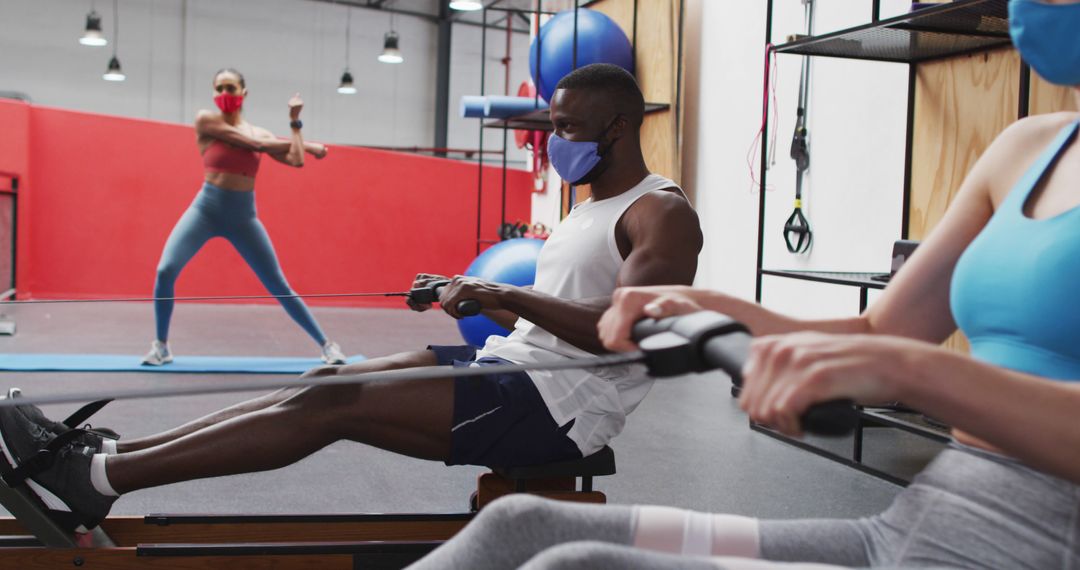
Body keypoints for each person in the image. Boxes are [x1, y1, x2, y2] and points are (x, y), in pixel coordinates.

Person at [405, 1, 1080, 568]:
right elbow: (882, 333)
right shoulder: (1024, 148)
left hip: (1039, 542)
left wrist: (914, 372)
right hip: (924, 521)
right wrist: (705, 307)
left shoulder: (656, 204)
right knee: (520, 528)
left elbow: (898, 356)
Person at [0, 63, 703, 534]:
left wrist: (495, 287)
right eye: (551, 126)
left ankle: (100, 478)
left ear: (617, 127)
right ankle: (104, 452)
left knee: (332, 407)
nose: (555, 142)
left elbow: (623, 334)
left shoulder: (661, 214)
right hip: (516, 365)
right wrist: (468, 297)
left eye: (568, 128)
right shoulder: (587, 210)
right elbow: (549, 316)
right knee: (327, 379)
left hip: (556, 410)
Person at [141, 68, 347, 366]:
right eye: (220, 88)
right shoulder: (206, 120)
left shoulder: (261, 132)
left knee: (278, 284)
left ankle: (328, 345)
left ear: (243, 93)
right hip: (205, 210)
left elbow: (297, 160)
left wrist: (295, 123)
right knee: (165, 270)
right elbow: (256, 146)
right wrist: (310, 145)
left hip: (243, 216)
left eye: (231, 88)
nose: (225, 94)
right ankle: (161, 346)